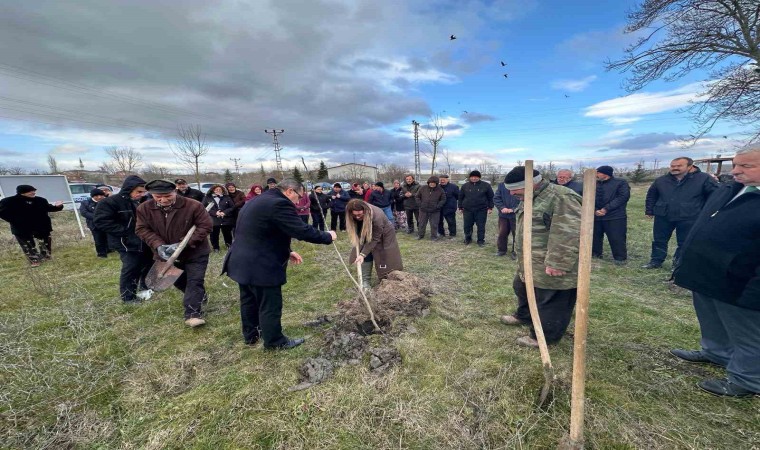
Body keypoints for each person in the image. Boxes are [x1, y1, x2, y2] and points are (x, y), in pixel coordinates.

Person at [671, 145, 760, 397]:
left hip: (741, 281)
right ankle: (716, 352)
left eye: (746, 166)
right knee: (710, 317)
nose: (737, 171)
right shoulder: (731, 189)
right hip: (708, 273)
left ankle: (747, 380)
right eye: (735, 164)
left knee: (747, 332)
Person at [223, 179, 337, 349]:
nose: (299, 201)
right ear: (290, 191)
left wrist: (288, 250)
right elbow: (300, 230)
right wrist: (327, 236)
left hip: (242, 260)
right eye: (299, 196)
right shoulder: (279, 204)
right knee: (270, 303)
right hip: (260, 264)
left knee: (249, 300)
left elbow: (264, 229)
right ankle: (275, 342)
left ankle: (251, 335)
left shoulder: (258, 200)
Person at [498, 167, 582, 347]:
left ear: (532, 184)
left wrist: (558, 263)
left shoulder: (561, 197)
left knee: (551, 299)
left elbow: (569, 233)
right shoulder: (529, 197)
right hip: (530, 260)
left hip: (551, 262)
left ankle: (544, 337)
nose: (511, 193)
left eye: (515, 189)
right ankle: (525, 316)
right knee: (521, 287)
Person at [136, 180, 214, 327]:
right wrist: (159, 245)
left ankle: (192, 314)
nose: (163, 200)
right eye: (158, 197)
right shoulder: (144, 208)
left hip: (195, 252)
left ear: (175, 191)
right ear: (152, 195)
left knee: (194, 281)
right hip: (164, 254)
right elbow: (142, 229)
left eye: (167, 196)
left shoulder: (192, 205)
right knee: (178, 281)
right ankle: (198, 295)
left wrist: (183, 245)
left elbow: (206, 226)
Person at [642, 157, 717, 269]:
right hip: (663, 214)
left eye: (679, 166)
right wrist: (649, 210)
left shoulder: (704, 179)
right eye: (673, 166)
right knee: (659, 240)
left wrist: (707, 212)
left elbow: (715, 196)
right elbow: (652, 195)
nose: (675, 168)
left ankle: (678, 264)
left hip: (690, 216)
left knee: (684, 242)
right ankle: (656, 261)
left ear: (690, 166)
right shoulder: (661, 180)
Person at [93, 175, 154, 303]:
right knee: (131, 267)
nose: (142, 194)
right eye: (139, 192)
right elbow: (101, 222)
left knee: (148, 263)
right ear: (129, 189)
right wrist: (126, 232)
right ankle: (128, 297)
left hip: (143, 241)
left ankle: (145, 287)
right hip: (125, 242)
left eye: (144, 192)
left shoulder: (139, 202)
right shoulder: (109, 202)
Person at [0, 184, 64, 267]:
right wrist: (14, 220)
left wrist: (58, 206)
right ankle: (34, 260)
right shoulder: (9, 201)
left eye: (34, 191)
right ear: (22, 192)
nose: (33, 193)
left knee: (45, 241)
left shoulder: (40, 200)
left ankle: (46, 256)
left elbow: (49, 208)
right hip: (21, 227)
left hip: (41, 225)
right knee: (27, 244)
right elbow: (2, 213)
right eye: (31, 191)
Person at [346, 199, 403, 287]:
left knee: (384, 255)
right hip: (365, 230)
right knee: (364, 250)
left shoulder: (377, 216)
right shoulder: (352, 211)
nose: (357, 217)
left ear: (365, 210)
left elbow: (375, 238)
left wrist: (362, 254)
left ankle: (389, 278)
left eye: (359, 214)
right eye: (354, 215)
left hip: (384, 234)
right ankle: (365, 281)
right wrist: (362, 253)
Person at [592, 165, 630, 265]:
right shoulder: (593, 184)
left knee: (616, 237)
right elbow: (588, 197)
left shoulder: (620, 183)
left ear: (605, 174)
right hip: (596, 216)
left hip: (615, 216)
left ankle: (619, 258)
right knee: (595, 237)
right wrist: (595, 210)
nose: (596, 175)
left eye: (598, 172)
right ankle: (596, 255)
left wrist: (606, 209)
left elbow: (622, 197)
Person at [458, 170, 494, 247]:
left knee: (481, 226)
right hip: (467, 209)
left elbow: (491, 197)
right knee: (467, 226)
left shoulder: (486, 185)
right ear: (470, 177)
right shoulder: (465, 186)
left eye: (476, 177)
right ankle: (468, 239)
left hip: (481, 209)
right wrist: (460, 207)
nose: (474, 178)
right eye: (472, 177)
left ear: (479, 177)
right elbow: (460, 197)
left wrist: (490, 207)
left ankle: (480, 241)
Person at [203, 185, 236, 252]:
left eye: (220, 189)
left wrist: (224, 212)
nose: (218, 191)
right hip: (213, 219)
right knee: (214, 234)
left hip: (225, 218)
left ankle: (229, 245)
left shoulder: (227, 197)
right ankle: (216, 248)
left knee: (227, 233)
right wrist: (215, 213)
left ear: (222, 191)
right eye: (216, 189)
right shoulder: (207, 198)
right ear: (213, 190)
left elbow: (232, 207)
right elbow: (203, 208)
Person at [493, 177, 520, 259]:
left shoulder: (520, 187)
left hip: (516, 215)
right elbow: (496, 198)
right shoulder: (501, 186)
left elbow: (524, 200)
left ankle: (515, 252)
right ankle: (501, 250)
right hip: (503, 215)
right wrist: (502, 208)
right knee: (502, 233)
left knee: (517, 234)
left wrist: (514, 209)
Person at [79, 188, 109, 258]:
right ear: (92, 196)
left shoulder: (106, 201)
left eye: (101, 195)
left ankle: (109, 249)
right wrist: (97, 217)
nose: (99, 197)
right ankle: (101, 254)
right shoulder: (86, 203)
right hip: (94, 224)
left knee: (107, 237)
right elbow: (84, 213)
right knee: (98, 239)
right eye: (97, 196)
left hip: (106, 223)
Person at [415, 176, 446, 240]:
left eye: (434, 183)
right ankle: (420, 235)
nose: (432, 184)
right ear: (428, 182)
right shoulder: (423, 188)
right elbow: (417, 197)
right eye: (430, 182)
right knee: (421, 223)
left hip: (435, 211)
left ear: (436, 183)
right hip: (423, 210)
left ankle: (434, 236)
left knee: (434, 224)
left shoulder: (440, 190)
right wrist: (420, 205)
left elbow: (443, 199)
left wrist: (437, 206)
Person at [438, 174, 460, 238]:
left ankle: (452, 234)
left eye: (444, 180)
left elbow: (458, 196)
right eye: (441, 180)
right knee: (439, 221)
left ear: (447, 180)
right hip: (439, 208)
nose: (442, 181)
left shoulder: (454, 187)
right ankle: (441, 233)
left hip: (450, 208)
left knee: (451, 222)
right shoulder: (437, 187)